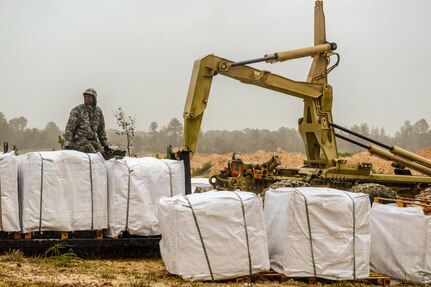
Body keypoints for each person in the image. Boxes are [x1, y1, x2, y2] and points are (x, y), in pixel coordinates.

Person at [64, 88, 111, 155]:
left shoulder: (98, 112)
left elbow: (101, 131)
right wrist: (67, 144)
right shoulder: (77, 110)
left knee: (102, 154)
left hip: (93, 140)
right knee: (91, 152)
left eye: (89, 97)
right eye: (86, 96)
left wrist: (105, 145)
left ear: (94, 98)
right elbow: (70, 128)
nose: (87, 98)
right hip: (80, 140)